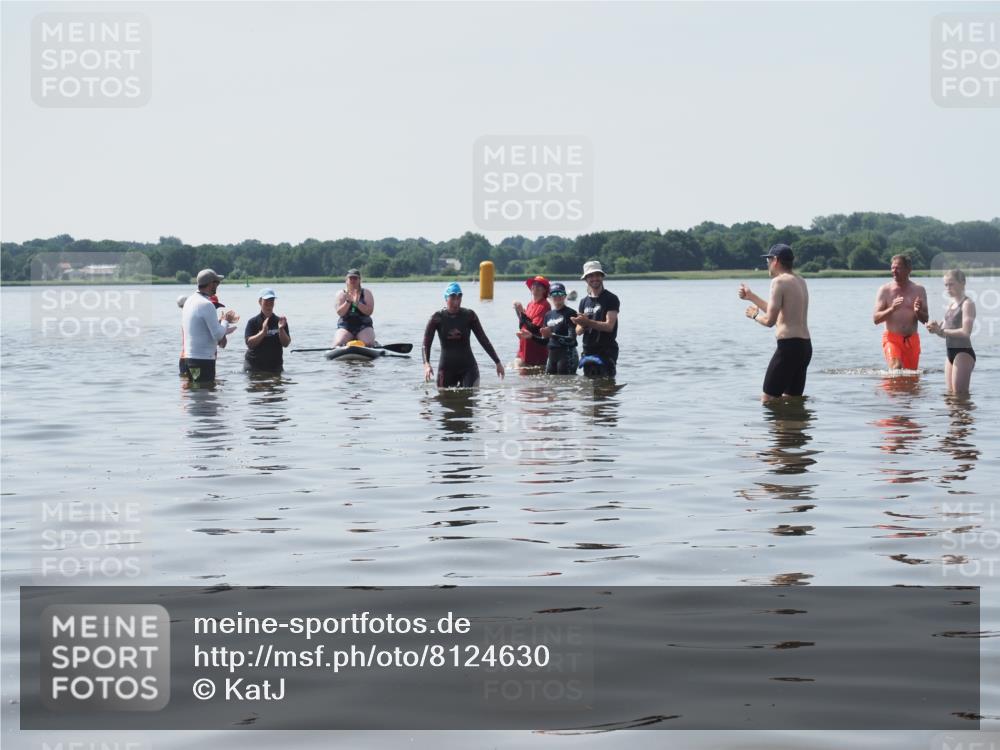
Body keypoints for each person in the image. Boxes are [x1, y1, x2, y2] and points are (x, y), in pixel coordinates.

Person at [738, 244, 812, 402]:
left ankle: (779, 426)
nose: (767, 264)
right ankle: (792, 426)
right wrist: (751, 297)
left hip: (788, 349)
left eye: (768, 260)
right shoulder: (800, 280)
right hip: (804, 348)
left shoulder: (778, 282)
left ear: (776, 260)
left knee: (768, 399)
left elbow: (770, 321)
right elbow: (781, 316)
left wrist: (755, 315)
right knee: (792, 401)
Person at [423, 282, 505, 387]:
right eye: (452, 298)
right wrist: (426, 363)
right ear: (446, 298)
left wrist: (497, 362)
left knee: (470, 399)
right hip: (446, 368)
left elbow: (483, 339)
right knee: (443, 399)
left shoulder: (469, 315)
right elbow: (426, 343)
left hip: (468, 368)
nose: (456, 302)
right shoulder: (437, 318)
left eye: (459, 297)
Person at [181, 269, 238, 383]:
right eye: (217, 283)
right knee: (206, 397)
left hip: (189, 360)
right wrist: (225, 321)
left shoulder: (189, 301)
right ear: (211, 284)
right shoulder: (207, 304)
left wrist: (222, 325)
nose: (218, 286)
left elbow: (202, 330)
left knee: (195, 396)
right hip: (203, 361)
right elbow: (217, 335)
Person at [873, 254, 928, 370]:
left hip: (912, 340)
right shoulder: (885, 290)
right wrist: (892, 309)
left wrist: (918, 312)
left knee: (912, 379)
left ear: (909, 269)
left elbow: (925, 319)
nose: (894, 271)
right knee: (896, 368)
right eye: (892, 268)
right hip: (892, 339)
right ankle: (891, 387)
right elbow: (876, 319)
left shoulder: (919, 290)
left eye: (898, 268)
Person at [927, 269, 976, 394]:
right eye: (946, 285)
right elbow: (943, 333)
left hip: (963, 353)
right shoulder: (950, 304)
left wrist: (941, 330)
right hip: (950, 354)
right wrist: (934, 329)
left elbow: (966, 332)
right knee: (950, 397)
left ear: (963, 283)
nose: (948, 288)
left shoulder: (967, 304)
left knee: (960, 396)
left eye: (951, 284)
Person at [517, 282, 579, 374]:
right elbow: (545, 341)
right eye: (554, 294)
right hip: (552, 356)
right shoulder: (548, 315)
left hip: (567, 355)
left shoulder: (570, 313)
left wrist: (552, 335)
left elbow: (572, 340)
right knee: (550, 385)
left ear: (565, 296)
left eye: (560, 293)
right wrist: (531, 336)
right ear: (550, 297)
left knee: (566, 384)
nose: (557, 296)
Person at [571, 261, 620, 377]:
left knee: (605, 389)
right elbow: (578, 331)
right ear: (586, 279)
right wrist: (581, 324)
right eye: (590, 276)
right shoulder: (584, 301)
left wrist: (587, 322)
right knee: (589, 391)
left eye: (597, 275)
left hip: (606, 351)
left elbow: (609, 327)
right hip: (588, 351)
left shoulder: (611, 298)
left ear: (602, 276)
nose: (594, 278)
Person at [244, 288, 291, 373]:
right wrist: (262, 333)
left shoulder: (280, 321)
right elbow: (249, 343)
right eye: (266, 301)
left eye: (271, 301)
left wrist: (281, 329)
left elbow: (286, 344)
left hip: (275, 366)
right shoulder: (253, 322)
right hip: (254, 366)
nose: (269, 304)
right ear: (260, 302)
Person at [513, 275, 551, 368]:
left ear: (544, 290)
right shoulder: (530, 304)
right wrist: (518, 311)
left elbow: (534, 328)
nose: (535, 287)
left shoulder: (544, 305)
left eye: (539, 285)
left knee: (530, 376)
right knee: (520, 374)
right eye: (534, 284)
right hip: (524, 346)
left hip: (536, 349)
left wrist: (521, 311)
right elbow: (523, 324)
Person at [333, 269, 375, 346]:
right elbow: (340, 313)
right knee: (338, 343)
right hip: (346, 326)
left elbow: (369, 312)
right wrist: (348, 302)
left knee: (368, 343)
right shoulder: (341, 294)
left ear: (359, 280)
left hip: (363, 325)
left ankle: (370, 341)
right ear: (346, 280)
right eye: (350, 278)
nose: (353, 280)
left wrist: (357, 303)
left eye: (355, 278)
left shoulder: (366, 293)